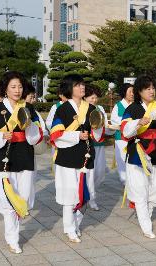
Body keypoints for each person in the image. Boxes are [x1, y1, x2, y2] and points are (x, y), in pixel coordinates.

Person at [0, 71, 43, 253]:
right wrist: (2, 135)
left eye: (20, 87)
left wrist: (30, 126)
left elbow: (37, 137)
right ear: (6, 89)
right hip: (3, 158)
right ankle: (12, 238)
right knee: (8, 202)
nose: (17, 90)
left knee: (23, 199)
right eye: (13, 87)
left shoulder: (30, 109)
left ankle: (14, 229)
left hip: (24, 156)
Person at [121, 75, 156, 238]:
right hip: (138, 151)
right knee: (140, 189)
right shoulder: (132, 109)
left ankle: (147, 214)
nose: (152, 91)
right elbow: (124, 131)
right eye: (148, 88)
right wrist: (137, 123)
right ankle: (146, 225)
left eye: (153, 88)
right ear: (139, 91)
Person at [50, 74, 100, 243]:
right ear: (70, 89)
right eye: (78, 85)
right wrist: (77, 135)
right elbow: (56, 135)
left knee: (84, 195)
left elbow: (98, 134)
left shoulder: (91, 108)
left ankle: (76, 224)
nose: (82, 87)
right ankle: (70, 228)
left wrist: (99, 128)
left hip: (86, 157)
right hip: (67, 157)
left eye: (83, 84)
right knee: (70, 194)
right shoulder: (62, 109)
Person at [84, 84, 114, 211]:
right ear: (85, 97)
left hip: (100, 144)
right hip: (88, 146)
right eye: (91, 97)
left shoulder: (100, 108)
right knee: (90, 173)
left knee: (100, 172)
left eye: (96, 97)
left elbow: (105, 125)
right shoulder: (82, 109)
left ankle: (89, 192)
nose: (94, 100)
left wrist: (112, 128)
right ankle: (91, 198)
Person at [110, 83, 134, 185]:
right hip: (121, 138)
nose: (132, 94)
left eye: (133, 91)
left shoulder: (136, 105)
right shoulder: (118, 106)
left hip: (133, 138)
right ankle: (125, 182)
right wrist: (129, 122)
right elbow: (114, 120)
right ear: (124, 93)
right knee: (122, 162)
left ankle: (132, 182)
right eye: (130, 91)